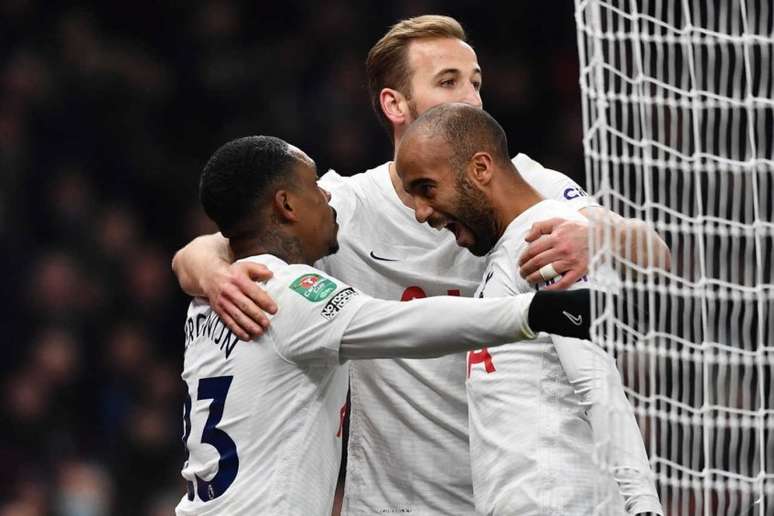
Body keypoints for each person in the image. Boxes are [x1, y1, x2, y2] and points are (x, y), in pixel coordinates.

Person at [172, 15, 672, 514]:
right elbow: (219, 244)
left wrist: (602, 238)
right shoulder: (343, 207)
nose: (472, 98)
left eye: (476, 82)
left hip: (517, 489)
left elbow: (655, 252)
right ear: (395, 104)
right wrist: (216, 275)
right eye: (448, 82)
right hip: (395, 501)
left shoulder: (522, 184)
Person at [177, 134, 595, 515]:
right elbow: (410, 324)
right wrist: (537, 311)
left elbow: (193, 257)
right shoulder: (286, 293)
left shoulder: (208, 296)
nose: (327, 195)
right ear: (286, 205)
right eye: (315, 186)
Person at [395, 103, 663, 515]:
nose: (421, 213)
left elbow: (598, 384)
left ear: (481, 169)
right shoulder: (508, 252)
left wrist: (643, 505)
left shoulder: (547, 237)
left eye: (427, 188)